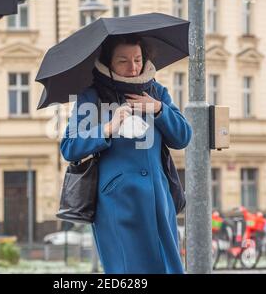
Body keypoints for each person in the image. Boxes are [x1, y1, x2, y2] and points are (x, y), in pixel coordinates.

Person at [60, 34, 192, 274]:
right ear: (109, 62)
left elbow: (183, 137)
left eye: (138, 60)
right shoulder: (92, 96)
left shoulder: (156, 92)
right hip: (116, 204)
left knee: (167, 268)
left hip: (158, 201)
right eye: (123, 61)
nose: (133, 68)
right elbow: (69, 147)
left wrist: (160, 110)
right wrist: (108, 128)